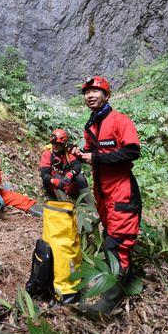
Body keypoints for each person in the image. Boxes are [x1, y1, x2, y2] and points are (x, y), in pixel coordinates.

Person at [72, 76, 141, 316]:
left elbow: (132, 151)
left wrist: (97, 158)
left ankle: (109, 301)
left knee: (116, 244)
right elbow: (94, 153)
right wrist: (82, 155)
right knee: (109, 236)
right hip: (103, 193)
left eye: (95, 91)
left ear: (107, 95)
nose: (90, 95)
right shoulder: (91, 125)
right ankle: (121, 278)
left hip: (122, 191)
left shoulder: (119, 120)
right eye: (86, 92)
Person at [39, 128, 88, 201]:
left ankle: (89, 201)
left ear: (63, 144)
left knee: (80, 178)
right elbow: (44, 174)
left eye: (58, 144)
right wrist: (54, 181)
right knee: (55, 182)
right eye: (54, 144)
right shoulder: (48, 153)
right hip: (55, 182)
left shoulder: (68, 152)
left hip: (67, 181)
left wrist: (71, 173)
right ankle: (60, 201)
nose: (55, 146)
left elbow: (77, 166)